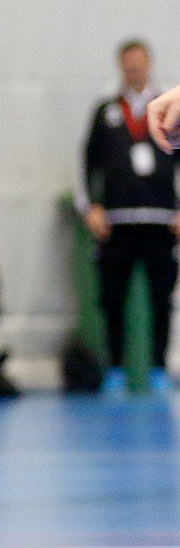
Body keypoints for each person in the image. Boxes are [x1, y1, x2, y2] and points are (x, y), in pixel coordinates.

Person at [78, 37, 177, 395]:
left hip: (160, 219)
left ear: (149, 63)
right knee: (112, 297)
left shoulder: (168, 104)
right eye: (128, 62)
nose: (134, 68)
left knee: (162, 297)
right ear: (121, 65)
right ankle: (116, 367)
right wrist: (91, 207)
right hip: (117, 222)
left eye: (140, 62)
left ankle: (158, 368)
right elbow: (87, 163)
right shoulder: (106, 109)